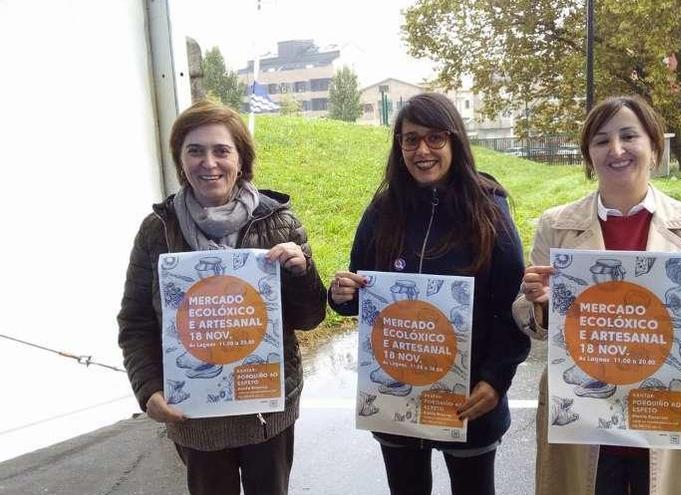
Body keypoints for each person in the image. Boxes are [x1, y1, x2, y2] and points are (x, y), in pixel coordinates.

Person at [513, 95, 681, 495]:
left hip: (661, 403)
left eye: (628, 136)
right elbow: (530, 317)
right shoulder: (557, 226)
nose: (615, 150)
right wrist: (540, 301)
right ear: (588, 155)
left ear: (653, 146)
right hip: (583, 407)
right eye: (601, 140)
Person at [117, 99, 327, 495]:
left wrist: (300, 273)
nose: (208, 162)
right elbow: (136, 323)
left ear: (240, 158)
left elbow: (310, 317)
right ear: (180, 160)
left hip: (266, 408)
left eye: (221, 150)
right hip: (195, 414)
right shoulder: (157, 231)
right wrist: (148, 390)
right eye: (194, 150)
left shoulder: (279, 221)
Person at [328, 92, 530, 495]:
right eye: (410, 139)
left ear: (455, 141)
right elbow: (360, 294)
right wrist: (341, 293)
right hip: (396, 397)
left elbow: (513, 307)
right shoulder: (382, 209)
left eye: (435, 138)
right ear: (399, 146)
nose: (422, 150)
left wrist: (496, 380)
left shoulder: (489, 209)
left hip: (470, 399)